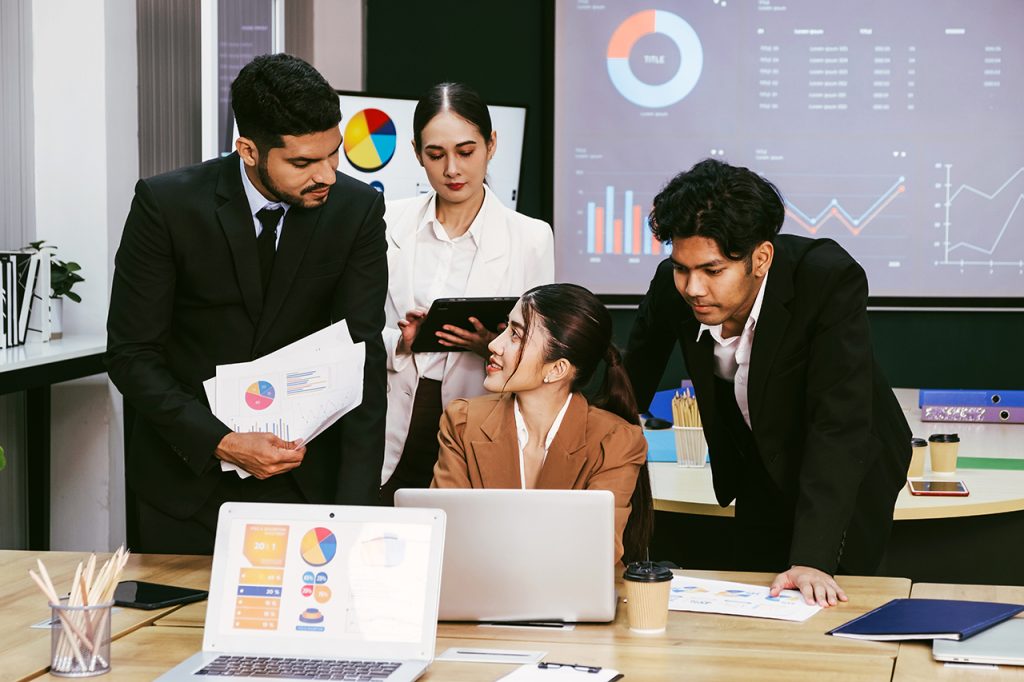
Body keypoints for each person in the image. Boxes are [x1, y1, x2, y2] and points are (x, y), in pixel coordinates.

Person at [106, 54, 388, 554]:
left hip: (304, 485)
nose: (326, 175)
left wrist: (355, 510)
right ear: (248, 150)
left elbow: (361, 357)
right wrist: (220, 440)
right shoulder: (165, 206)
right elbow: (132, 356)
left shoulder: (356, 209)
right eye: (302, 163)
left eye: (333, 154)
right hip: (185, 482)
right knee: (175, 635)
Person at [625, 159, 911, 605]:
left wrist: (814, 557)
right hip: (759, 460)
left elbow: (838, 424)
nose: (693, 288)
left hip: (847, 472)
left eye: (712, 271)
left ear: (761, 258)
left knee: (825, 597)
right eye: (682, 268)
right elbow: (630, 379)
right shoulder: (673, 284)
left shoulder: (826, 278)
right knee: (760, 594)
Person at [379, 82, 553, 503]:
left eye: (466, 151)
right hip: (389, 416)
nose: (452, 169)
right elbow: (352, 326)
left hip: (478, 416)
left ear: (492, 145)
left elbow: (543, 351)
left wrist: (491, 347)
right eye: (435, 155)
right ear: (417, 153)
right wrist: (400, 342)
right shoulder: (385, 222)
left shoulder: (531, 237)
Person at [432, 283, 653, 565]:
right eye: (505, 329)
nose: (493, 344)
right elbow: (445, 535)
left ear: (557, 369)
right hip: (479, 597)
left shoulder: (616, 441)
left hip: (574, 601)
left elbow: (595, 550)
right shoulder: (462, 422)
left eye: (515, 335)